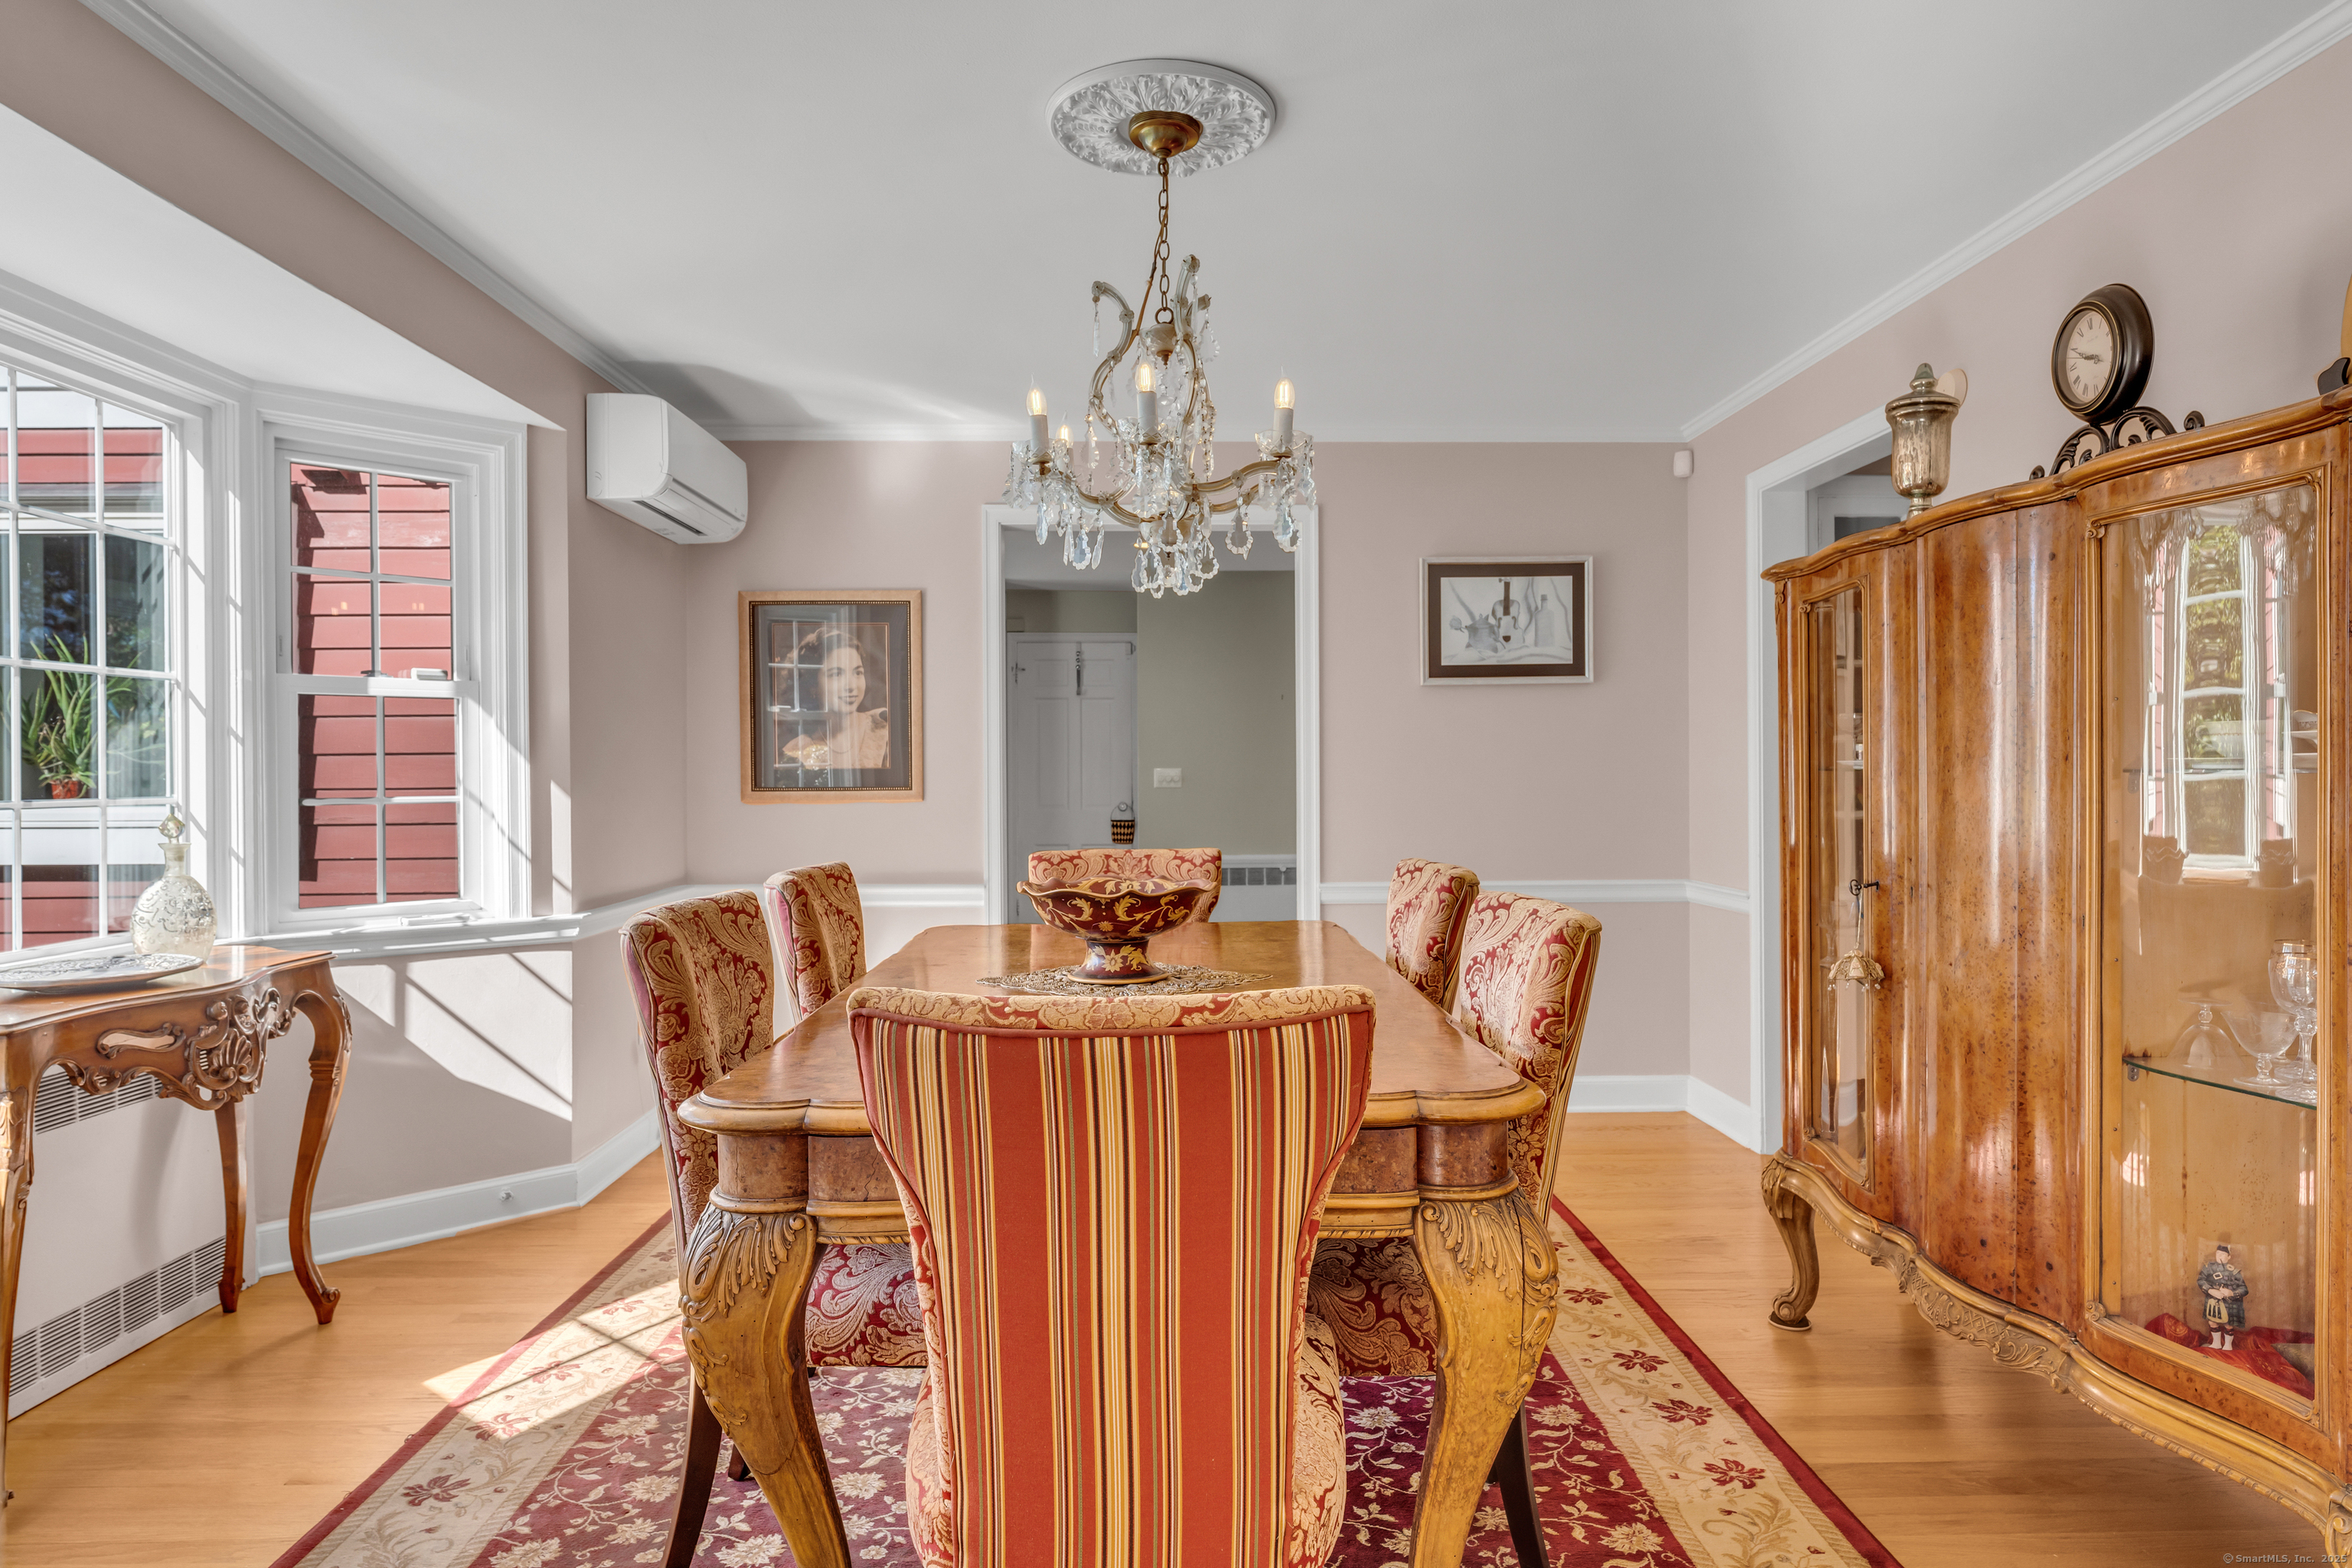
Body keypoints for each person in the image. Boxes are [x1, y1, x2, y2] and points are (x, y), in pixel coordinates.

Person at [780, 629, 890, 774]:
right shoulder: (797, 751)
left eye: (858, 673)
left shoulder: (884, 727)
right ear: (812, 685)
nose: (851, 686)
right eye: (836, 674)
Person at [2197, 1243, 2247, 1351]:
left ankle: (2228, 1345)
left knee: (2228, 1324)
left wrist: (2231, 1293)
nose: (2219, 1256)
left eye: (2223, 1254)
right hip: (2213, 1300)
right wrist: (2210, 1290)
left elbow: (2244, 1289)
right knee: (2212, 1321)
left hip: (2229, 1303)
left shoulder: (2234, 1272)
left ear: (2229, 1257)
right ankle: (2216, 1343)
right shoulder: (2208, 1267)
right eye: (2218, 1253)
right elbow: (2201, 1280)